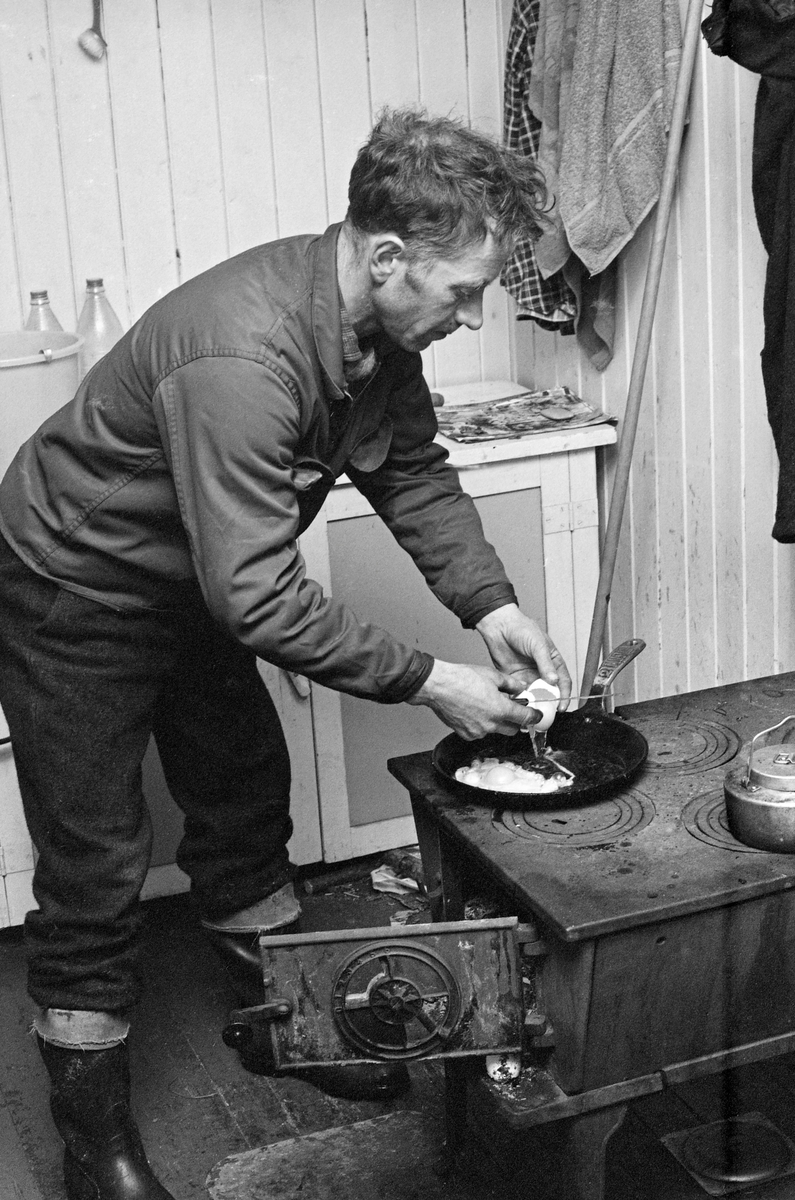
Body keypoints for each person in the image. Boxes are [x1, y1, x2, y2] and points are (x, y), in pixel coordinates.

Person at [0, 108, 572, 1200]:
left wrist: (490, 607)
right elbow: (257, 595)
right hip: (74, 582)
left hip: (196, 576)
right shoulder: (242, 355)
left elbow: (407, 471)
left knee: (242, 792)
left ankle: (288, 1030)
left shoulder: (379, 335)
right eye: (464, 290)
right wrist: (432, 681)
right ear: (389, 256)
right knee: (97, 862)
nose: (471, 313)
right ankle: (95, 1148)